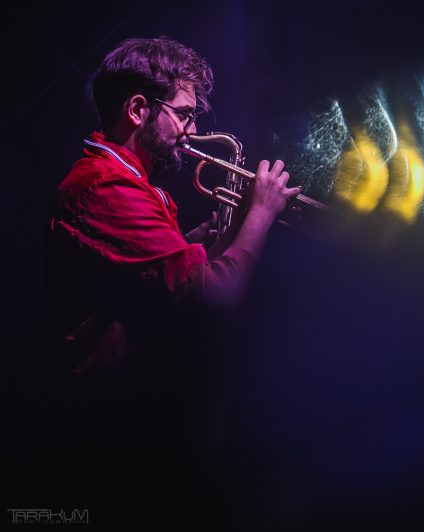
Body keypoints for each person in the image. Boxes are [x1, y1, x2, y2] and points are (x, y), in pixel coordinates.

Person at [38, 36, 300, 524]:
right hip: (110, 439)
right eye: (183, 114)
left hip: (138, 426)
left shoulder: (135, 183)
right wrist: (262, 214)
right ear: (139, 110)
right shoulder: (105, 185)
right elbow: (214, 296)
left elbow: (167, 294)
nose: (192, 129)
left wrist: (217, 238)